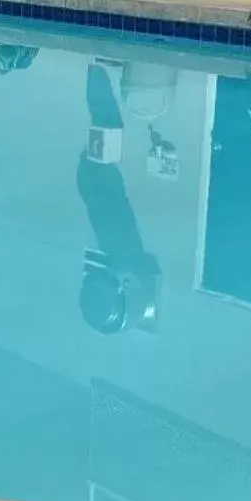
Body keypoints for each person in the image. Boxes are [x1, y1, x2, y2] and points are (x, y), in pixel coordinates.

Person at [76, 61, 160, 335]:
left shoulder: (125, 262)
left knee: (109, 122)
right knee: (106, 122)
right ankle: (94, 70)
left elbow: (147, 267)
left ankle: (94, 67)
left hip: (96, 175)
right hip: (93, 179)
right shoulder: (120, 262)